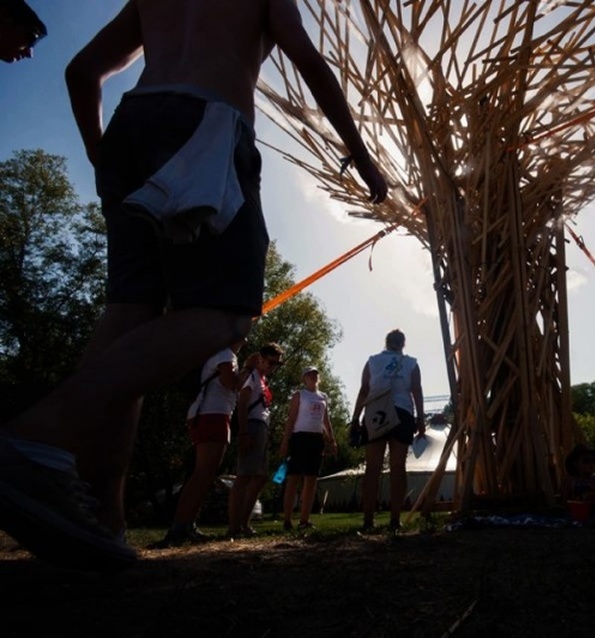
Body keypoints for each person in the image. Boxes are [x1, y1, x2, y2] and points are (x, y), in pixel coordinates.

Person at [0, 0, 386, 571]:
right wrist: (361, 154)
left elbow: (81, 72)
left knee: (131, 312)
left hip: (133, 124)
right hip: (206, 124)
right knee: (228, 312)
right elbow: (307, 59)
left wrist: (101, 152)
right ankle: (37, 437)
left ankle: (102, 515)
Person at [154, 340, 259, 548]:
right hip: (213, 414)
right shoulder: (224, 354)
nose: (245, 336)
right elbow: (232, 385)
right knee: (203, 473)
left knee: (204, 473)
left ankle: (186, 524)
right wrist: (248, 367)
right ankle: (180, 526)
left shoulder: (223, 354)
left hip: (211, 414)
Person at [351, 329, 426, 532]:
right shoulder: (411, 363)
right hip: (402, 412)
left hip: (376, 412)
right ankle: (395, 519)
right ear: (403, 344)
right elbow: (417, 390)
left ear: (386, 342)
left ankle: (368, 520)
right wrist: (420, 418)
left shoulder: (372, 361)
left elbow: (364, 390)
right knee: (398, 467)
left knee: (372, 468)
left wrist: (355, 417)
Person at [228, 342, 283, 538]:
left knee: (260, 476)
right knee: (244, 475)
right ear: (260, 358)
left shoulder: (262, 380)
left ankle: (244, 523)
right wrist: (243, 432)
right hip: (251, 425)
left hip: (262, 427)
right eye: (271, 362)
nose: (273, 367)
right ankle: (234, 526)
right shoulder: (251, 376)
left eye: (277, 364)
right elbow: (242, 404)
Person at [279, 365, 337, 531]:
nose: (313, 376)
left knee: (311, 479)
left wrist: (331, 439)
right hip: (299, 437)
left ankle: (304, 520)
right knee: (293, 478)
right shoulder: (300, 395)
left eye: (315, 374)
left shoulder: (323, 397)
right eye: (309, 374)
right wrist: (285, 441)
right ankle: (287, 519)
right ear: (304, 378)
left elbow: (326, 420)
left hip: (316, 439)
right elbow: (291, 419)